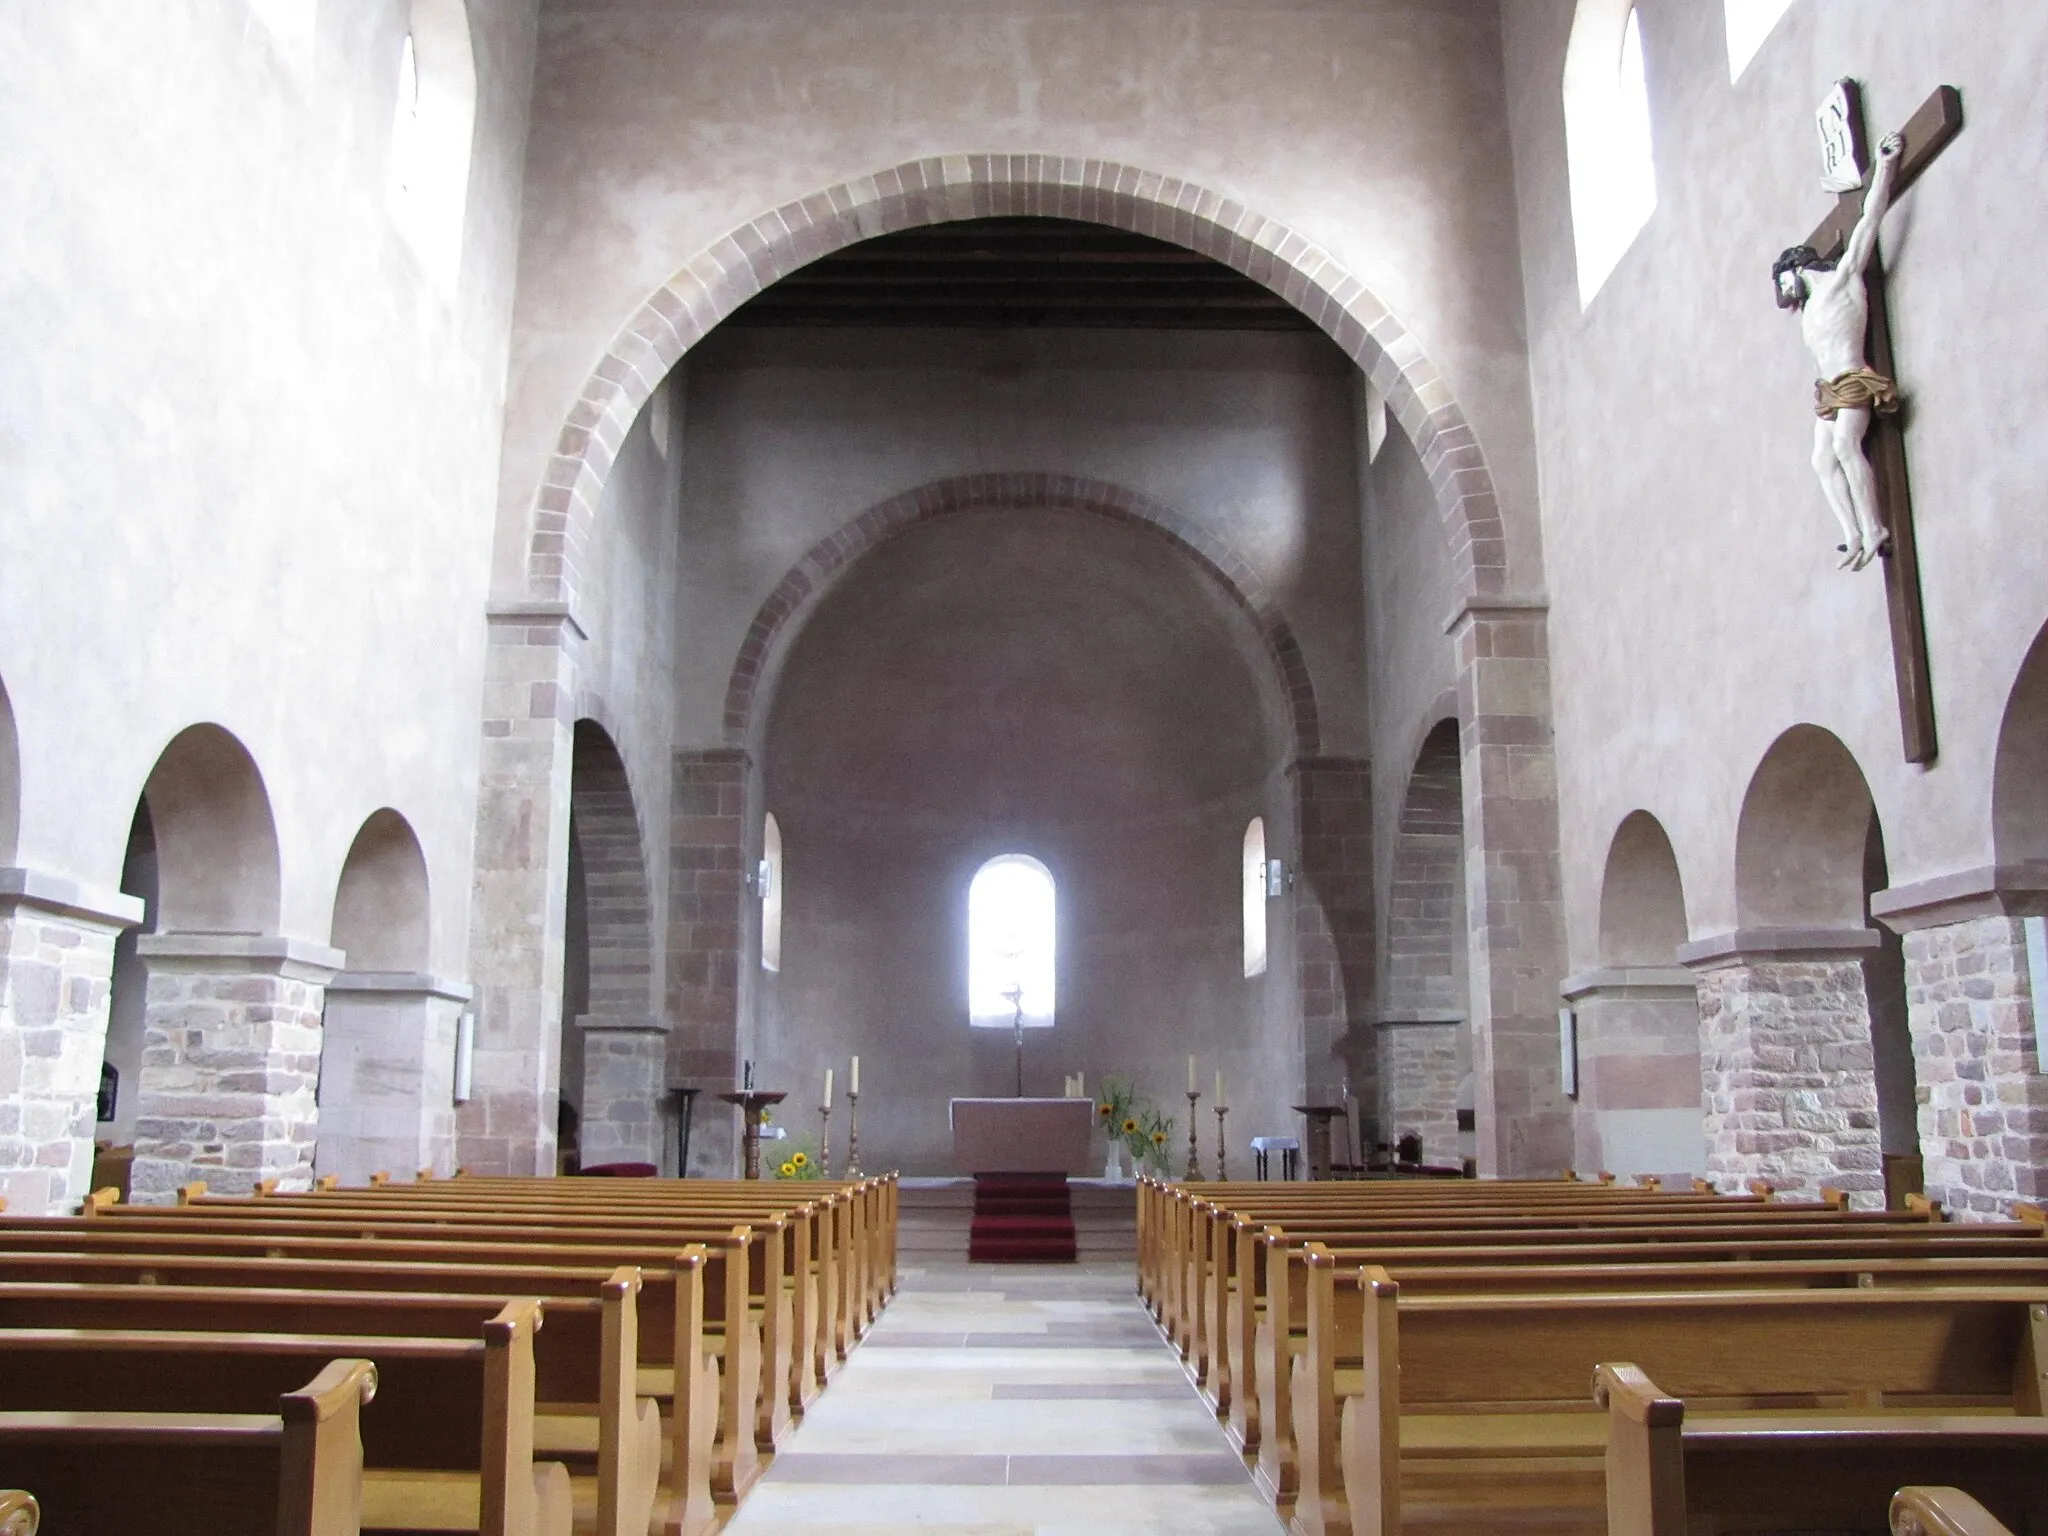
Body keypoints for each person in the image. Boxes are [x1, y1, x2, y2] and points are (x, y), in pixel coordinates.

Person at [1772, 131, 1904, 571]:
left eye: (1782, 283)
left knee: (1847, 447)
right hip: (1828, 389)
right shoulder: (1809, 311)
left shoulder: (1843, 279)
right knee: (1821, 459)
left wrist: (1885, 166)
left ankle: (1875, 529)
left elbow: (1869, 219)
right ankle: (1851, 534)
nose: (1784, 295)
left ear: (1793, 270)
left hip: (1852, 377)